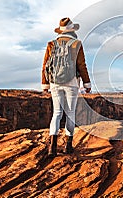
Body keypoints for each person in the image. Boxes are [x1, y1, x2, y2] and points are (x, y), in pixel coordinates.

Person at [41, 17, 91, 157]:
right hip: (72, 82)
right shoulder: (77, 44)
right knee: (70, 113)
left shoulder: (51, 44)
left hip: (55, 82)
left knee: (57, 113)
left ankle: (52, 147)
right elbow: (81, 65)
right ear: (72, 30)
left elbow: (45, 64)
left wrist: (45, 84)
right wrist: (87, 83)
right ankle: (68, 146)